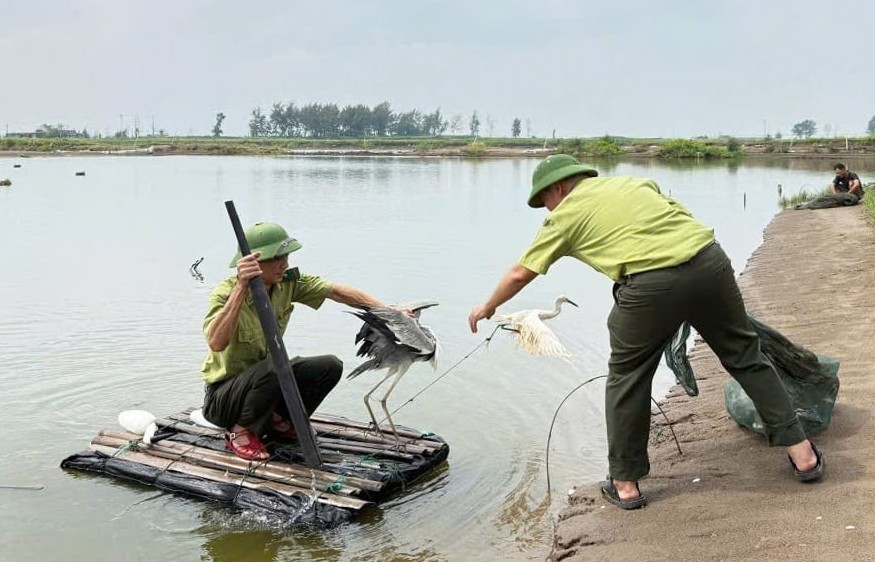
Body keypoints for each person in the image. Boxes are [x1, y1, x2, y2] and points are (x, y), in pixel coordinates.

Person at [467, 154, 825, 509]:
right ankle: (803, 455)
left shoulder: (563, 216)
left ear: (558, 188)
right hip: (710, 263)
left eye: (543, 200)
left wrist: (488, 306)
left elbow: (521, 272)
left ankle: (625, 483)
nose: (546, 209)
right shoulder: (634, 183)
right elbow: (676, 221)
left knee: (628, 377)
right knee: (746, 357)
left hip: (650, 286)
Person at [201, 221, 387, 461]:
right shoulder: (226, 292)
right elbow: (216, 342)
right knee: (276, 365)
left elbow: (336, 291)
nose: (285, 264)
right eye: (277, 258)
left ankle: (279, 420)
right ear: (255, 261)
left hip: (268, 384)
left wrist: (388, 311)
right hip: (224, 400)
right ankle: (240, 431)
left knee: (329, 366)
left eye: (286, 256)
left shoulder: (286, 283)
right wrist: (241, 288)